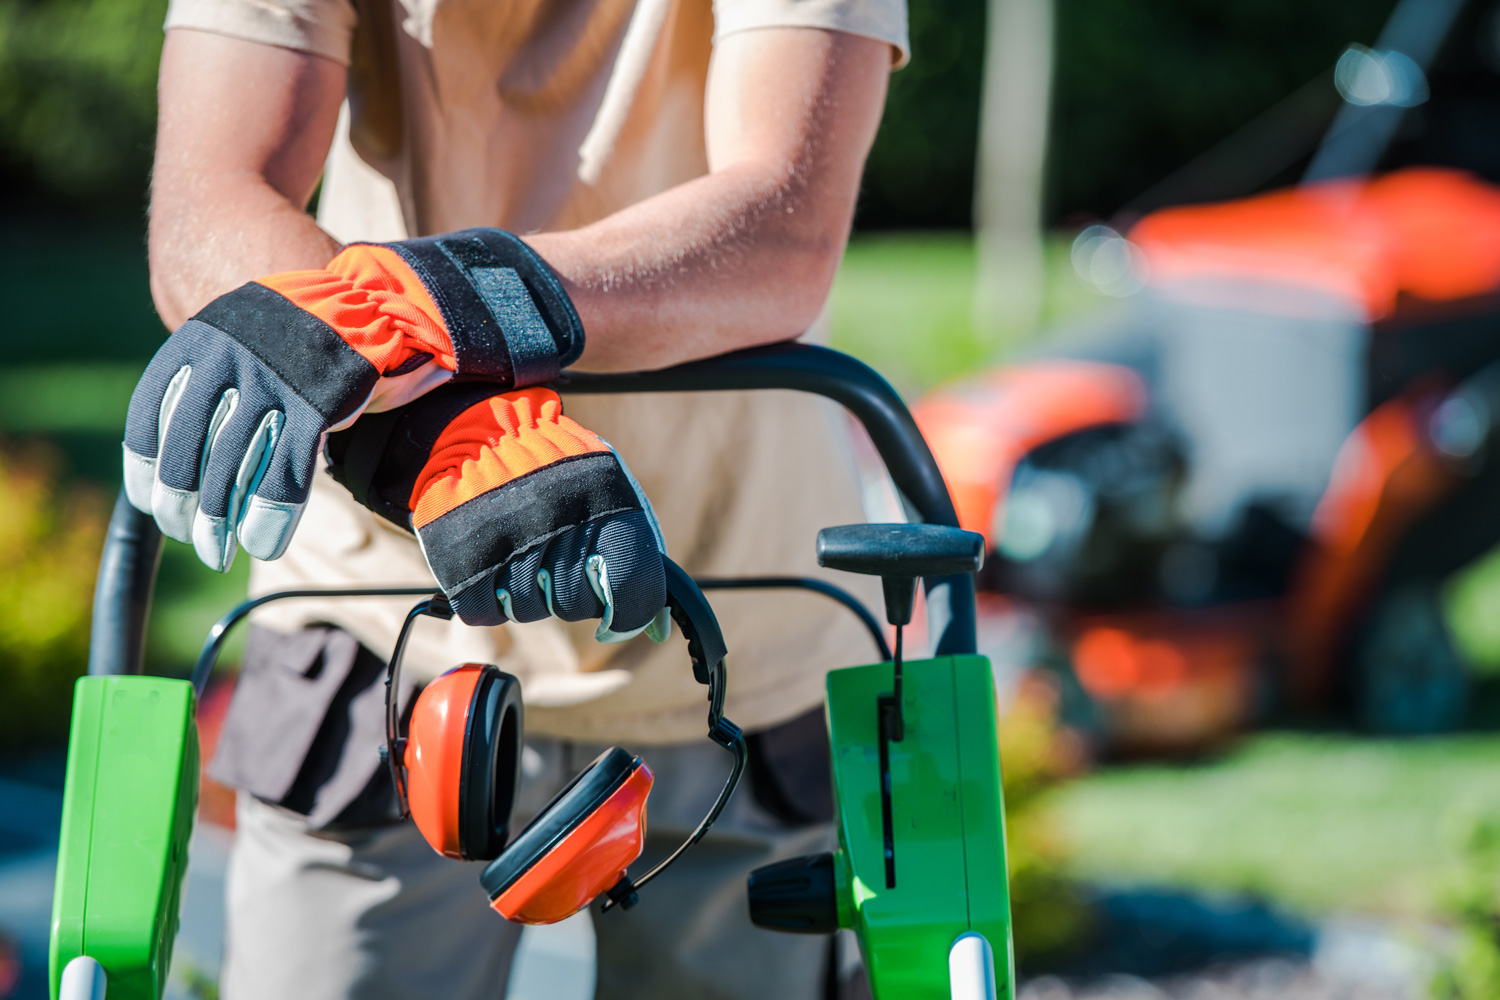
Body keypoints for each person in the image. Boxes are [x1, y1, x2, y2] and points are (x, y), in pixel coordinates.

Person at [134, 0, 906, 995]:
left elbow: (781, 227)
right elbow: (208, 203)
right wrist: (447, 438)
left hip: (736, 638)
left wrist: (437, 305)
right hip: (383, 636)